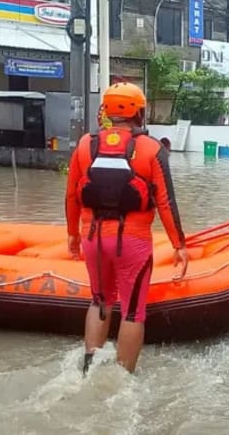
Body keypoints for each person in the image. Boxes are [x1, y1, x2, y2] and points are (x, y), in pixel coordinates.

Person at [65, 82, 188, 374]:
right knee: (133, 312)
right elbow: (166, 202)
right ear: (139, 112)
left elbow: (71, 195)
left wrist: (72, 234)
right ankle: (122, 381)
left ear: (106, 109)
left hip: (92, 238)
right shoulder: (151, 149)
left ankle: (88, 370)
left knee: (99, 301)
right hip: (132, 242)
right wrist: (179, 245)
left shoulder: (85, 144)